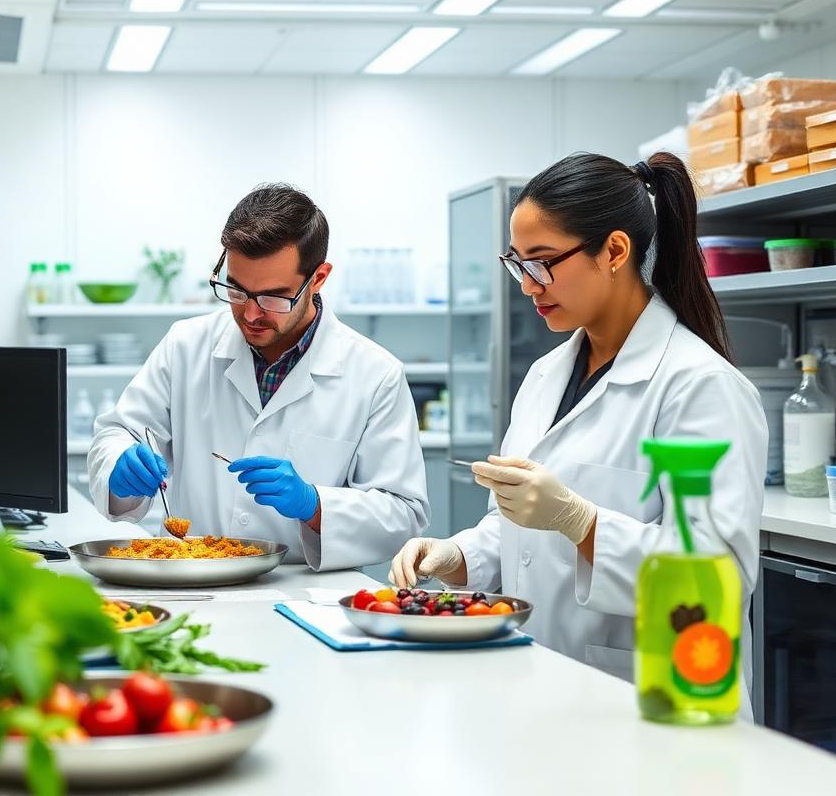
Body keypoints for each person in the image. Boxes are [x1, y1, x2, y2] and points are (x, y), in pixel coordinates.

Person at [391, 152, 766, 712]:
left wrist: (581, 521)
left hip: (650, 696)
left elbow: (721, 581)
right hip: (541, 686)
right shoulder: (546, 376)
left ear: (615, 251)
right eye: (516, 264)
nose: (528, 286)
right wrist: (457, 555)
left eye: (542, 262)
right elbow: (518, 534)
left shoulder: (700, 386)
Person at [89, 184, 429, 571]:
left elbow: (403, 514)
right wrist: (119, 468)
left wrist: (314, 504)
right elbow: (118, 434)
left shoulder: (374, 373)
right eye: (236, 289)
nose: (250, 314)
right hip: (191, 578)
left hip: (305, 593)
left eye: (272, 297)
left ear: (318, 278)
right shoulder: (185, 345)